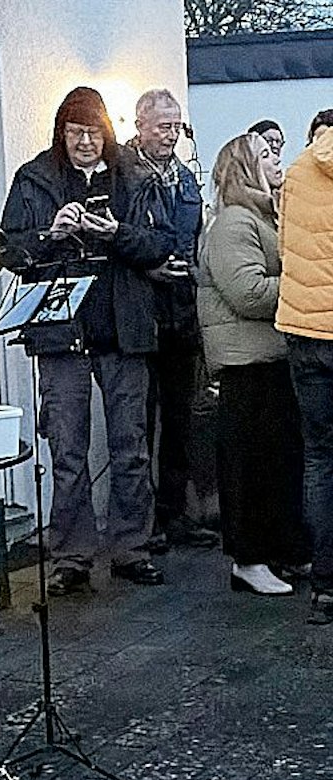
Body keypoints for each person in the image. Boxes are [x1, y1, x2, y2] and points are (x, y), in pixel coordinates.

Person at [0, 86, 173, 596]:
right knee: (69, 450)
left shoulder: (136, 176)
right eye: (74, 133)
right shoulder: (33, 178)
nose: (84, 142)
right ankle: (71, 556)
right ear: (60, 135)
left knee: (131, 448)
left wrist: (117, 232)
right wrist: (49, 235)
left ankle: (131, 549)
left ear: (107, 132)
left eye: (93, 132)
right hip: (61, 333)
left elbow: (162, 244)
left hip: (125, 331)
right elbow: (9, 249)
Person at [200, 132, 310, 596]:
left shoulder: (265, 217)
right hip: (246, 362)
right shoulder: (233, 223)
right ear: (245, 169)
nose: (276, 160)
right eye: (264, 155)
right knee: (248, 465)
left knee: (279, 462)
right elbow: (246, 292)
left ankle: (282, 549)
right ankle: (249, 559)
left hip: (269, 357)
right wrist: (306, 284)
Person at [130, 89, 221, 552]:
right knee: (139, 424)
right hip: (141, 314)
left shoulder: (186, 179)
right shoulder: (122, 174)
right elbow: (116, 242)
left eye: (175, 126)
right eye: (163, 126)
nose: (171, 135)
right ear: (140, 125)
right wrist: (148, 268)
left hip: (182, 312)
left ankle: (175, 513)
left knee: (182, 421)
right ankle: (143, 522)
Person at [277, 107, 333, 625]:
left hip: (305, 332)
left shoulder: (296, 170)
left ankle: (324, 587)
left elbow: (284, 246)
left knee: (319, 458)